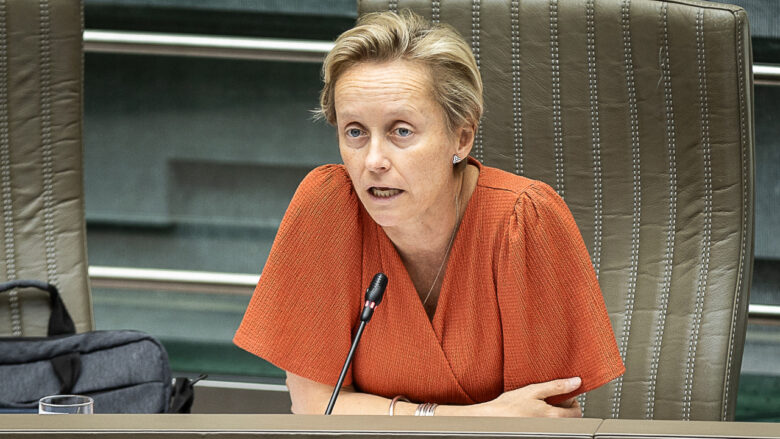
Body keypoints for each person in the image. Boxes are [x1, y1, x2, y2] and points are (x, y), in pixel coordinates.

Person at [234, 10, 624, 417]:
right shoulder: (328, 207)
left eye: (401, 131)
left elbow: (542, 420)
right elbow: (314, 406)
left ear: (461, 137)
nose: (373, 160)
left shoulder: (524, 221)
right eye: (355, 132)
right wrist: (471, 418)